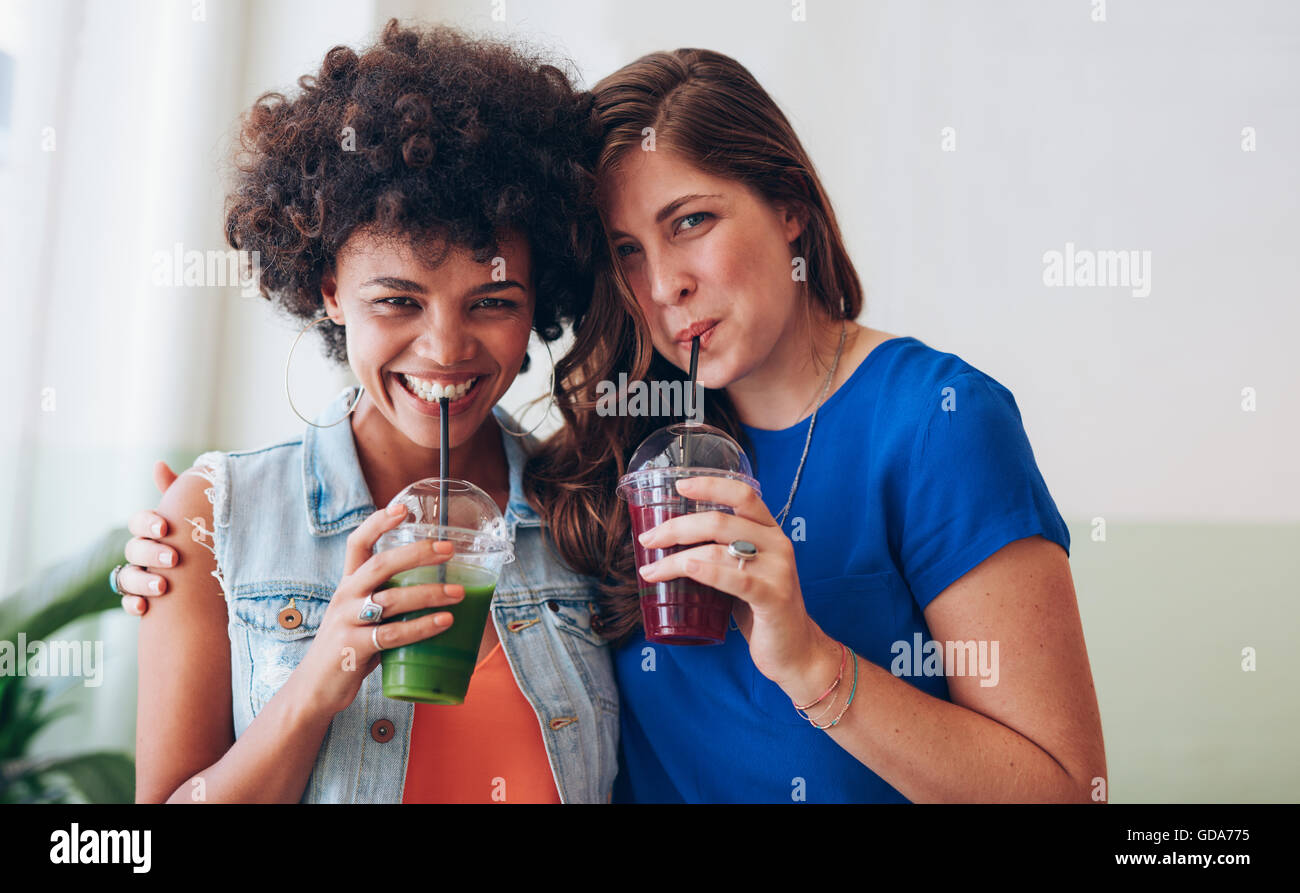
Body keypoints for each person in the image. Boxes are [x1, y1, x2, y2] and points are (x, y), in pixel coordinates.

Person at [120, 42, 1107, 803]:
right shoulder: (606, 463)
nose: (664, 283)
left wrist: (814, 664)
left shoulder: (925, 421)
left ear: (790, 207)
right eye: (626, 248)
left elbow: (1063, 785)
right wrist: (248, 601)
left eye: (692, 222)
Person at [126, 21, 618, 804]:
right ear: (328, 290)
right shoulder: (213, 522)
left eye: (492, 301)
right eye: (398, 301)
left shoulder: (585, 512)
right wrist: (319, 680)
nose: (445, 348)